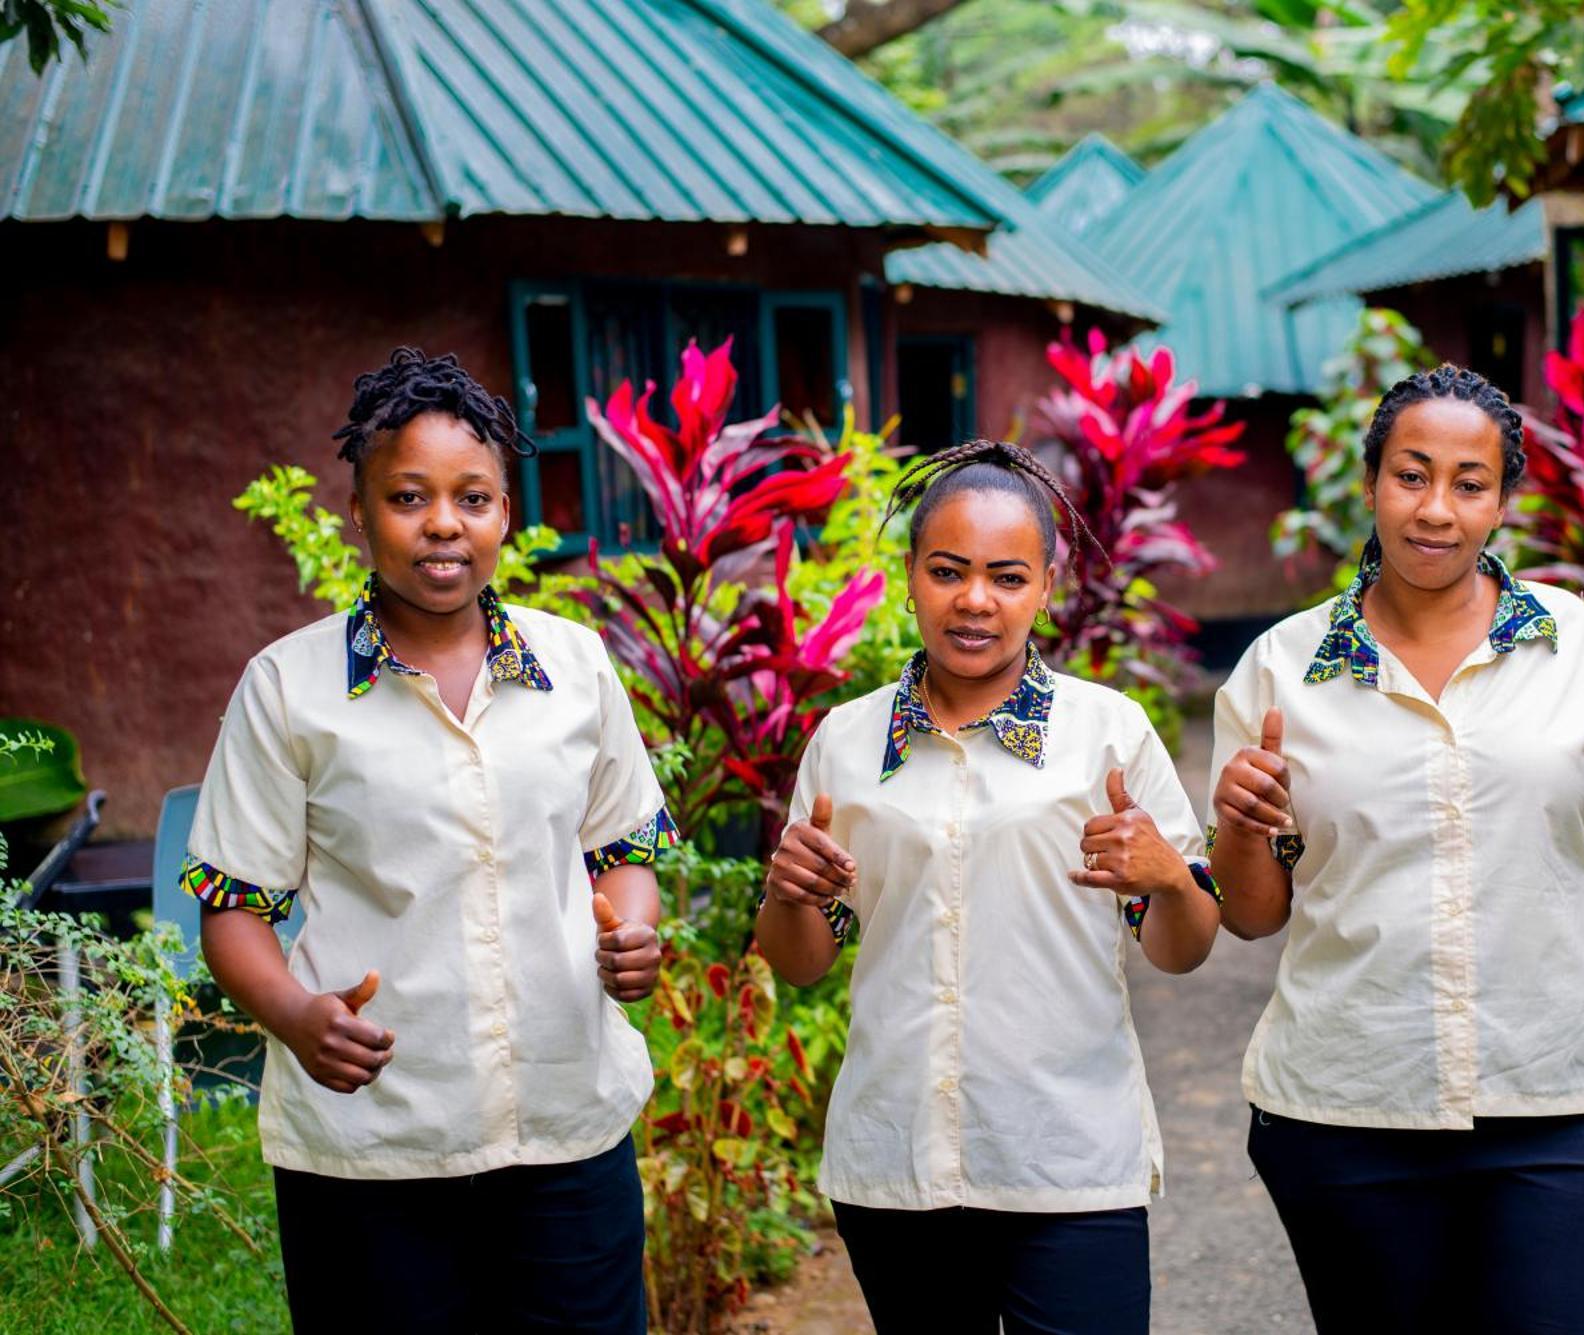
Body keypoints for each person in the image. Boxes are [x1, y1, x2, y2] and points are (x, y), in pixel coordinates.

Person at [1208, 366, 1584, 1333]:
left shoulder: (1582, 649)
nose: (1436, 508)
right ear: (1368, 485)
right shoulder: (1280, 670)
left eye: (1468, 482)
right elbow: (1253, 910)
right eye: (1411, 474)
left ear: (1502, 502)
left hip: (1561, 1096)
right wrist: (1237, 824)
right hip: (1350, 1106)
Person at [183, 348, 671, 1334]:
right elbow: (231, 903)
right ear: (359, 515)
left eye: (473, 497)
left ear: (503, 515)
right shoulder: (288, 689)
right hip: (374, 1151)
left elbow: (621, 849)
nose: (443, 524)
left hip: (566, 1129)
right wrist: (294, 1015)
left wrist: (633, 934)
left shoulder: (574, 668)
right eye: (409, 497)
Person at [754, 440, 1222, 1334]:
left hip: (1068, 1160)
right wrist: (787, 895)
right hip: (900, 1163)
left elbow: (1182, 946)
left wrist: (1168, 878)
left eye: (1007, 577)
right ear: (911, 577)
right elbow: (802, 961)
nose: (975, 600)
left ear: (1047, 584)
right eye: (948, 571)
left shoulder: (1106, 734)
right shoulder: (847, 744)